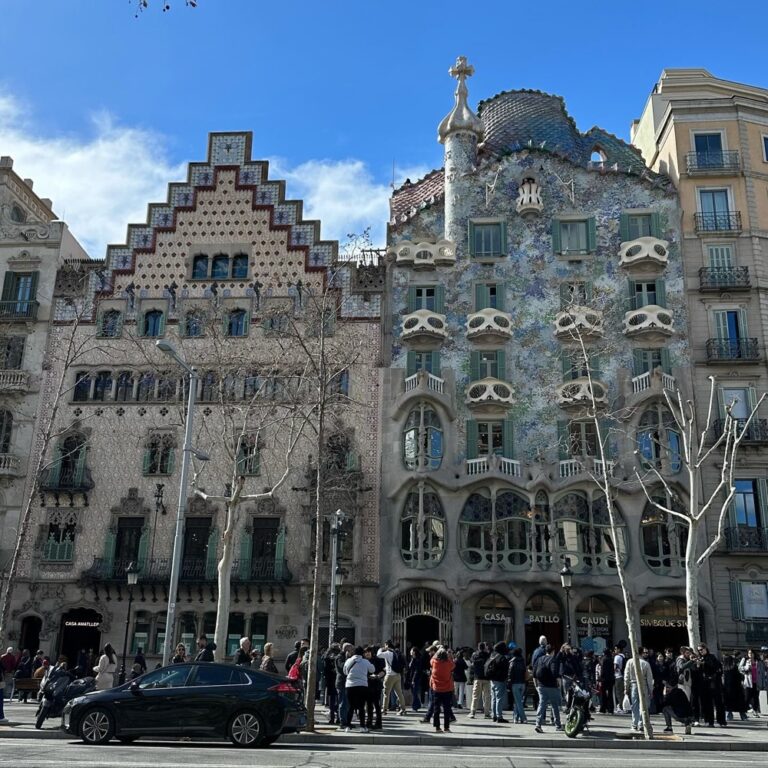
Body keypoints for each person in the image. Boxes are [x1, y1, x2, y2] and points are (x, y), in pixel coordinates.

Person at [343, 646, 374, 733]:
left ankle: (348, 726)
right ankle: (362, 726)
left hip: (349, 685)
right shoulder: (365, 661)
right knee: (361, 707)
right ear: (363, 653)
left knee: (351, 706)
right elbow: (372, 669)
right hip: (362, 685)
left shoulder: (348, 661)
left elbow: (345, 671)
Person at [533, 644, 562, 733]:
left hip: (541, 685)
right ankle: (558, 725)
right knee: (554, 706)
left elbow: (534, 673)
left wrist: (536, 685)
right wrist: (559, 683)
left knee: (542, 705)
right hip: (551, 686)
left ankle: (538, 724)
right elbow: (555, 673)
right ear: (553, 652)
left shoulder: (539, 659)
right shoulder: (553, 660)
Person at [696, 643, 726, 727]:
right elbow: (698, 672)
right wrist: (698, 665)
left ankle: (721, 721)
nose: (700, 651)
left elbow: (716, 667)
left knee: (718, 702)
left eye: (701, 649)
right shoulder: (699, 658)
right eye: (699, 650)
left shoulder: (712, 657)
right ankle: (709, 721)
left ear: (705, 648)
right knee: (706, 703)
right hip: (704, 683)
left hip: (714, 682)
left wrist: (703, 664)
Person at [624, 647, 653, 732]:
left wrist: (626, 687)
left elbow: (626, 675)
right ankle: (641, 724)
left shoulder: (630, 662)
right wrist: (651, 690)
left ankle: (634, 724)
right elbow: (649, 679)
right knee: (643, 705)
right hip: (643, 684)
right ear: (642, 653)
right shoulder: (645, 663)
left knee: (635, 705)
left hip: (633, 684)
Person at [377, 640, 407, 716]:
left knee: (386, 693)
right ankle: (403, 709)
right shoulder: (396, 652)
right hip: (397, 675)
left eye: (385, 645)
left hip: (389, 675)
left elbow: (378, 655)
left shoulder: (388, 653)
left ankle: (384, 709)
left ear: (387, 645)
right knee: (399, 693)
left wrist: (381, 648)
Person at [430, 646, 455, 733]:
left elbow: (431, 659)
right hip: (447, 689)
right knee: (447, 709)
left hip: (436, 689)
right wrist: (449, 656)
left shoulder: (434, 662)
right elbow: (453, 665)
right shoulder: (448, 663)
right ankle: (446, 727)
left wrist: (436, 653)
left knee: (436, 709)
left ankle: (437, 727)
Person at [485, 641, 510, 723]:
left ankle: (494, 715)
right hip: (500, 680)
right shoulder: (502, 658)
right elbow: (506, 670)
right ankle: (499, 716)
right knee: (499, 698)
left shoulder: (493, 656)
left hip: (492, 680)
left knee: (494, 698)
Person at [739, 648, 765, 716]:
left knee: (756, 697)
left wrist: (762, 682)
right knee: (747, 697)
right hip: (748, 682)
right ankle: (743, 711)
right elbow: (739, 668)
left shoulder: (758, 661)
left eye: (751, 653)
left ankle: (755, 711)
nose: (750, 654)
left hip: (756, 682)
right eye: (749, 653)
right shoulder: (745, 660)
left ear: (754, 654)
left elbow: (762, 672)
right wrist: (746, 668)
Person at [468, 642, 491, 719]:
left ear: (478, 647)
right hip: (486, 678)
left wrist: (471, 677)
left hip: (477, 678)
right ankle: (487, 713)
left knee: (475, 696)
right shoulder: (488, 655)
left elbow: (472, 666)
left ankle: (472, 712)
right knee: (487, 696)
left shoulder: (475, 655)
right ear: (484, 647)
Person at [722, 654, 748, 721]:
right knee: (740, 704)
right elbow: (739, 677)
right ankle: (743, 716)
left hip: (727, 689)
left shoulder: (724, 669)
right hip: (737, 688)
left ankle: (729, 716)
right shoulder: (734, 668)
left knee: (728, 704)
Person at [364, 646, 385, 729]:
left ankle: (378, 723)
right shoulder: (363, 661)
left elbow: (383, 671)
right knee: (369, 705)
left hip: (376, 685)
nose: (367, 653)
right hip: (367, 685)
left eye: (369, 652)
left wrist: (377, 676)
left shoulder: (377, 660)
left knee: (377, 705)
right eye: (366, 652)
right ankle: (369, 722)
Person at [507, 646, 527, 724]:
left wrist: (508, 684)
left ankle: (523, 718)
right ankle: (516, 717)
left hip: (515, 683)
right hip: (522, 683)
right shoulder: (523, 661)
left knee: (518, 702)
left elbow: (510, 674)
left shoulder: (512, 662)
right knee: (518, 701)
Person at [322, 643, 340, 724]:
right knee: (339, 700)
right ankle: (339, 718)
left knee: (332, 701)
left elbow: (325, 670)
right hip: (338, 681)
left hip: (330, 681)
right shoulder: (339, 657)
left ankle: (332, 718)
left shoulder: (326, 658)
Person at [599, 648, 615, 714]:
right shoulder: (611, 659)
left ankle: (603, 708)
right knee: (610, 693)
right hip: (611, 678)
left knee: (603, 694)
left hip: (604, 679)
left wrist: (600, 678)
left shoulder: (604, 659)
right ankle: (611, 708)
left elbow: (603, 670)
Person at [407, 646, 424, 711]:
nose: (410, 652)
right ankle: (418, 704)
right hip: (411, 677)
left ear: (414, 652)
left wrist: (413, 679)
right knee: (413, 692)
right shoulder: (412, 658)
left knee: (414, 692)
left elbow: (417, 670)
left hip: (416, 678)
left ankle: (415, 706)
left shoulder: (418, 659)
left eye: (411, 650)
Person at [613, 645, 626, 714]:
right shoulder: (623, 656)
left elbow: (615, 666)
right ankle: (623, 706)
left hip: (618, 676)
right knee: (622, 692)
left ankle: (620, 707)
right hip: (623, 676)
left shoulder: (617, 657)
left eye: (615, 649)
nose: (614, 650)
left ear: (618, 649)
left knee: (618, 692)